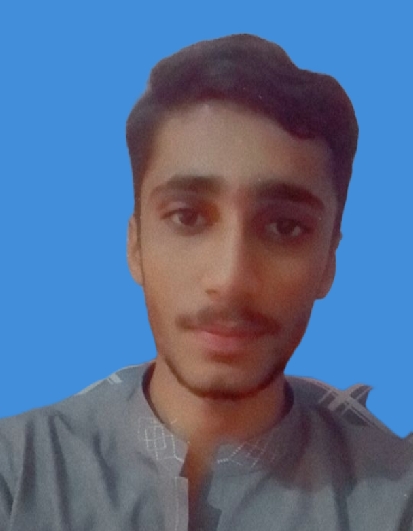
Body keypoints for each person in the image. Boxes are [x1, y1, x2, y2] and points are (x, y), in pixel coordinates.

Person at [0, 33, 412, 531]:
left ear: (329, 260)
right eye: (188, 217)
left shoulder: (396, 500)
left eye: (285, 227)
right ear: (135, 245)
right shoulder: (17, 473)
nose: (230, 279)